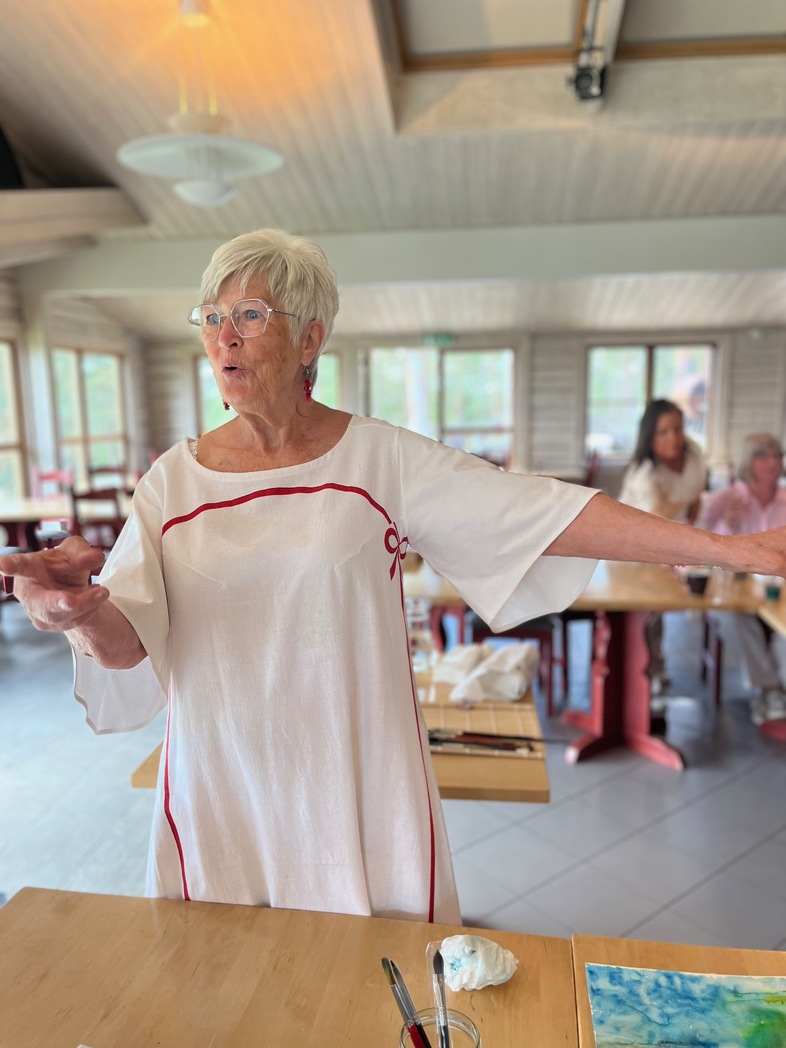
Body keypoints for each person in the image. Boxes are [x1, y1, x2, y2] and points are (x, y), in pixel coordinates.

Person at [2, 230, 786, 926]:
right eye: (211, 316)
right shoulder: (172, 483)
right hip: (224, 794)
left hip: (359, 787)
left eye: (249, 315)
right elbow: (127, 644)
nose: (223, 338)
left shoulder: (378, 461)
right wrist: (75, 613)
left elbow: (540, 513)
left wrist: (735, 551)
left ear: (310, 339)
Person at [618, 399, 708, 703]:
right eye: (664, 432)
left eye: (678, 429)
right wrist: (675, 559)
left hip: (671, 538)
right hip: (631, 546)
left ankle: (654, 665)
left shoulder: (694, 456)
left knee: (658, 610)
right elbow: (649, 531)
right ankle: (642, 675)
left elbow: (695, 498)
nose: (674, 438)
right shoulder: (644, 475)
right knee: (645, 611)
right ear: (650, 437)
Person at [698, 433, 786, 725]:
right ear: (749, 461)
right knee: (735, 619)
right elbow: (703, 546)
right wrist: (729, 522)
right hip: (734, 593)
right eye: (762, 455)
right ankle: (769, 689)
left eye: (776, 455)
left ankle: (775, 689)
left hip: (777, 591)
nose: (772, 462)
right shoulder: (725, 499)